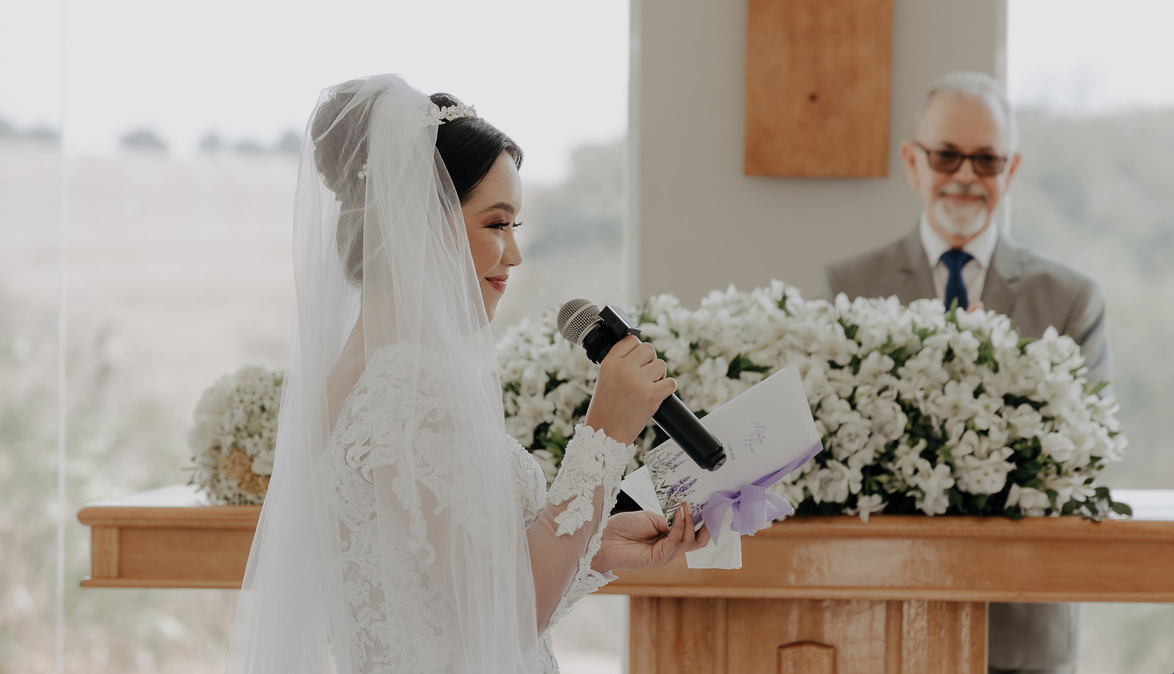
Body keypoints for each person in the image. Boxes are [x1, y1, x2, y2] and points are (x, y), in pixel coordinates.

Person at [225, 75, 708, 674]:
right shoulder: (407, 388)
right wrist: (606, 432)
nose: (514, 254)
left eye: (515, 226)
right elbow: (504, 620)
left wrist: (595, 547)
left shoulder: (358, 374)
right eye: (495, 224)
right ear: (418, 225)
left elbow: (456, 594)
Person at [820, 71, 1109, 674]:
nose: (966, 177)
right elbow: (834, 457)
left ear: (1012, 169)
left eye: (987, 160)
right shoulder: (850, 288)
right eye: (947, 154)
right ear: (913, 161)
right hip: (882, 614)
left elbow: (1086, 464)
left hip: (1022, 626)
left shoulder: (1071, 299)